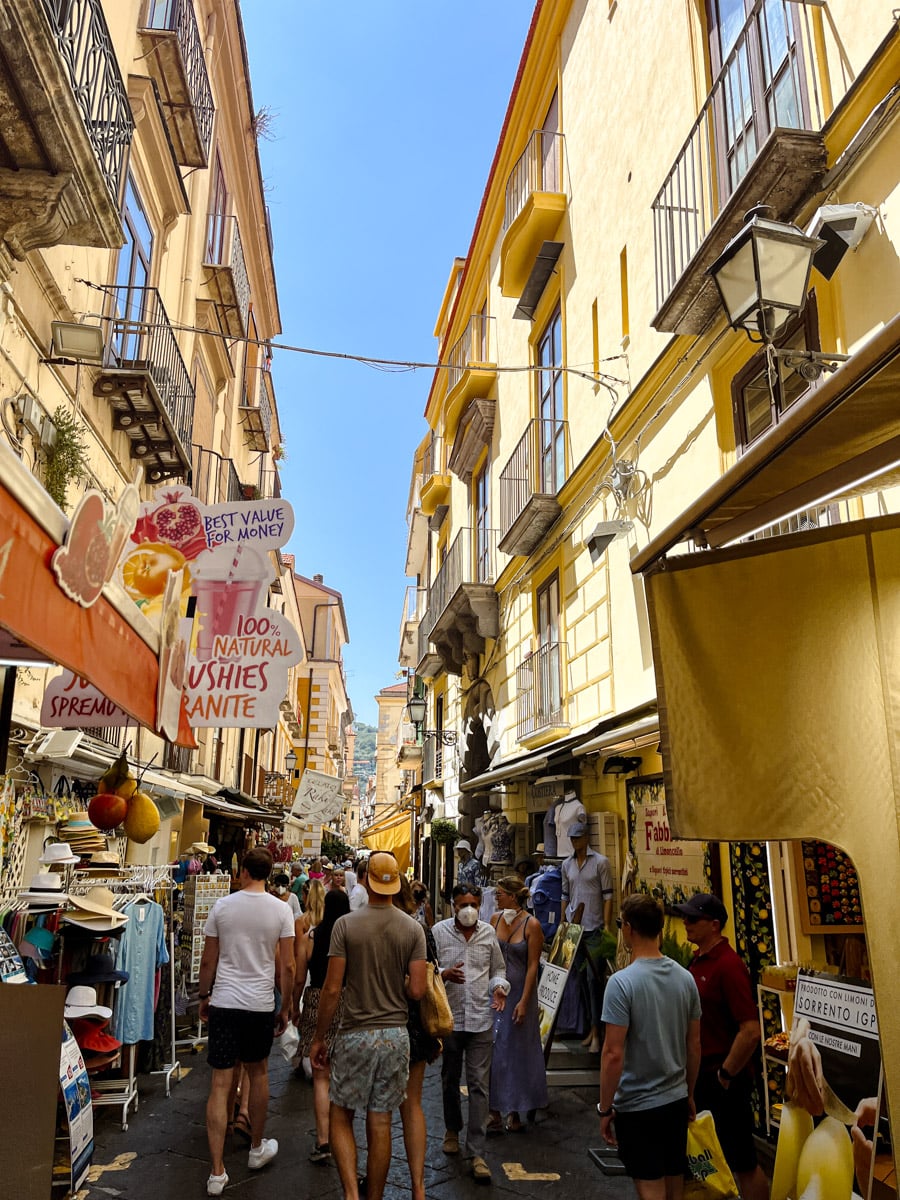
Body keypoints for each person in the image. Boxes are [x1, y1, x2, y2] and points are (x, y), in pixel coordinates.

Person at [310, 851, 427, 1200]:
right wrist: (400, 982)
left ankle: (350, 1193)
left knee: (341, 1113)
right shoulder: (413, 928)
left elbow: (332, 988)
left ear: (368, 880)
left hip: (354, 1033)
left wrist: (319, 1037)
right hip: (395, 1035)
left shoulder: (347, 925)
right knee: (381, 1121)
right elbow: (418, 990)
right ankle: (374, 1195)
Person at [198, 847, 296, 1196]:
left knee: (220, 1084)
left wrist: (204, 995)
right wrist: (285, 1007)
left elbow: (209, 960)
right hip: (258, 1004)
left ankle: (216, 1171)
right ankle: (256, 1148)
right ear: (269, 873)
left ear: (242, 871)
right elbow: (287, 965)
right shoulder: (281, 909)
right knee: (259, 1073)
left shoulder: (222, 907)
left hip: (224, 1001)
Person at [599, 893, 702, 1200]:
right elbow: (694, 1044)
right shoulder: (686, 978)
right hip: (675, 1098)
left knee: (649, 1186)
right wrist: (690, 1093)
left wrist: (605, 1107)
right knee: (674, 1183)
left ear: (628, 928)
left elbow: (613, 1053)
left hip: (637, 1102)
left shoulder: (621, 983)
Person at [674, 893, 770, 1200]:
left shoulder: (728, 966)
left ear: (714, 925)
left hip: (723, 1079)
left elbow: (751, 1030)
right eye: (685, 917)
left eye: (693, 919)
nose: (685, 923)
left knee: (742, 1158)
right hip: (703, 1076)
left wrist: (726, 1074)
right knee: (710, 1156)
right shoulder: (699, 959)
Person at [433, 883, 510, 1183]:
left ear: (480, 905)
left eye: (474, 904)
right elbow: (427, 970)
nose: (468, 909)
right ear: (453, 905)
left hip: (480, 1019)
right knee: (450, 1079)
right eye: (463, 903)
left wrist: (500, 988)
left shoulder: (488, 934)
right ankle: (452, 1128)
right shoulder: (439, 932)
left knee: (479, 1085)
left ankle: (477, 1151)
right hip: (449, 1020)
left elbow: (498, 970)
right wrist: (444, 974)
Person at [393, 875, 442, 1200]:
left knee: (378, 1110)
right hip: (413, 1028)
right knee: (412, 1106)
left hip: (378, 1025)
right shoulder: (421, 931)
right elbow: (427, 981)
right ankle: (419, 1187)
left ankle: (373, 1180)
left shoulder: (360, 926)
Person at [293, 887, 351, 1163]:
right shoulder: (353, 937)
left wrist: (293, 1005)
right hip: (349, 1004)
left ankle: (324, 1139)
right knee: (345, 1074)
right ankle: (344, 1135)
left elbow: (298, 975)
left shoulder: (311, 936)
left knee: (321, 1075)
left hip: (317, 1000)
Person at [487, 876, 548, 1132]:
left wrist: (524, 1001)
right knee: (494, 1049)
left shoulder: (531, 925)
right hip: (498, 991)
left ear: (513, 896)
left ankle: (515, 1108)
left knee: (517, 1050)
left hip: (520, 992)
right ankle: (494, 1110)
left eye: (500, 893)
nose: (496, 897)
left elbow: (533, 965)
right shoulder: (494, 920)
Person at [560, 820, 614, 1053]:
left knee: (594, 979)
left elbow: (608, 896)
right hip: (574, 928)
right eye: (572, 838)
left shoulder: (601, 863)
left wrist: (607, 926)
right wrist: (563, 922)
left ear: (586, 838)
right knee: (580, 979)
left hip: (594, 928)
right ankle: (589, 1028)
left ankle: (597, 1030)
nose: (575, 842)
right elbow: (565, 894)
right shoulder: (566, 865)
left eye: (578, 838)